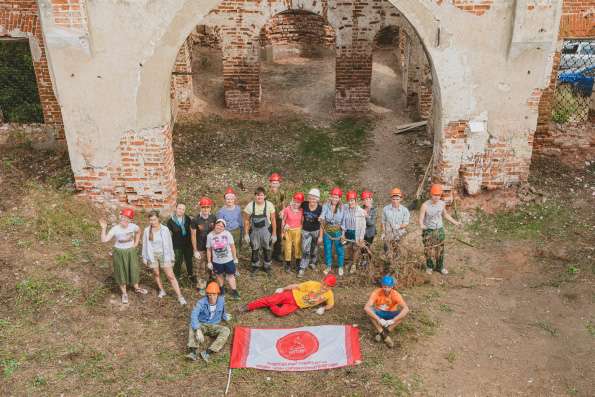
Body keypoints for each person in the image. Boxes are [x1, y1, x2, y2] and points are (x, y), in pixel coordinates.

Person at [99, 208, 147, 304]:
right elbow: (104, 240)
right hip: (119, 252)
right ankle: (124, 293)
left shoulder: (133, 226)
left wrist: (136, 243)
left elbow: (138, 232)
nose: (125, 220)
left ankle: (136, 288)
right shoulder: (115, 229)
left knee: (133, 269)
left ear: (131, 220)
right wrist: (104, 228)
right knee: (121, 271)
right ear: (120, 217)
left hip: (130, 251)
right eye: (123, 217)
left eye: (127, 218)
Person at [142, 211, 187, 305]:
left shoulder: (164, 229)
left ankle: (180, 296)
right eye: (150, 220)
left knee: (171, 276)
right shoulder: (147, 230)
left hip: (164, 254)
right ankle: (162, 290)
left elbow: (169, 243)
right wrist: (144, 257)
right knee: (156, 273)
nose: (152, 222)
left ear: (158, 219)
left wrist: (172, 256)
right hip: (152, 255)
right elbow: (145, 245)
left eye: (154, 219)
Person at [242, 274, 336, 317]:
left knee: (280, 312)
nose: (325, 286)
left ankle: (271, 303)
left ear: (331, 287)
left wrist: (323, 308)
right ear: (322, 281)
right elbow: (296, 286)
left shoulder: (329, 294)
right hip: (291, 295)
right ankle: (249, 306)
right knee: (270, 300)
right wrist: (283, 289)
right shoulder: (312, 284)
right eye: (324, 283)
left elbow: (331, 304)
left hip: (295, 305)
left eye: (328, 286)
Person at [418, 184, 462, 275]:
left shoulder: (442, 204)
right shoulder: (425, 205)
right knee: (428, 249)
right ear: (431, 194)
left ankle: (440, 267)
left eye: (438, 195)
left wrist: (455, 223)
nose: (436, 197)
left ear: (440, 195)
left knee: (440, 249)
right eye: (434, 195)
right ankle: (429, 266)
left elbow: (445, 215)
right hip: (429, 230)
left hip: (439, 229)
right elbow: (421, 218)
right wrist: (422, 225)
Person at [186, 282, 231, 363]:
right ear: (207, 294)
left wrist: (225, 317)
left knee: (226, 330)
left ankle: (208, 352)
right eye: (210, 295)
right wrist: (197, 329)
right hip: (202, 324)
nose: (212, 297)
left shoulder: (221, 300)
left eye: (214, 294)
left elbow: (223, 309)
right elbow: (194, 315)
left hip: (214, 325)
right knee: (192, 325)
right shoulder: (201, 302)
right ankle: (192, 352)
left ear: (218, 293)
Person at [364, 275, 409, 348]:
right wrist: (379, 319)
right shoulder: (376, 292)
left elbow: (406, 309)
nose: (386, 289)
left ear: (392, 287)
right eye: (385, 287)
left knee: (402, 314)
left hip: (391, 313)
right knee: (370, 312)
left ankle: (387, 331)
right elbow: (366, 307)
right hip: (379, 312)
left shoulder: (395, 294)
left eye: (389, 287)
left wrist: (392, 320)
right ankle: (382, 333)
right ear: (382, 285)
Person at [243, 187, 277, 274]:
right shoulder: (250, 206)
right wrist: (246, 234)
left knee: (267, 249)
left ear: (265, 196)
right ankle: (255, 266)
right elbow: (246, 220)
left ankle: (267, 266)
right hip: (254, 231)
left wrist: (274, 234)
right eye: (257, 195)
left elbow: (273, 220)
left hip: (266, 231)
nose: (259, 197)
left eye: (261, 195)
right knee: (255, 249)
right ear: (255, 196)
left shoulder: (269, 205)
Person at [206, 219, 240, 300]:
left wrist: (235, 258)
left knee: (231, 275)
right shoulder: (210, 235)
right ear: (215, 225)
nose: (219, 227)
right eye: (218, 225)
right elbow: (208, 249)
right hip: (217, 261)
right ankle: (221, 289)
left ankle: (234, 291)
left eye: (222, 226)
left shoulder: (227, 234)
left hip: (228, 260)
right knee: (219, 275)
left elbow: (232, 246)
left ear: (224, 228)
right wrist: (209, 262)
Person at [191, 197, 217, 295]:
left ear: (210, 208)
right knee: (201, 267)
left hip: (211, 247)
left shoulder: (213, 218)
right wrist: (195, 250)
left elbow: (216, 232)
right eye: (203, 207)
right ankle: (201, 285)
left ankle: (211, 281)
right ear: (200, 208)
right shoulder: (195, 220)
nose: (205, 209)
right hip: (200, 247)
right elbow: (193, 235)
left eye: (207, 207)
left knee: (210, 265)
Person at [167, 203, 195, 285]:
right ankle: (176, 277)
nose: (181, 211)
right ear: (176, 208)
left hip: (188, 244)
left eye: (183, 209)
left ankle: (190, 276)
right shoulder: (170, 221)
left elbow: (192, 229)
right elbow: (169, 235)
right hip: (177, 245)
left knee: (189, 260)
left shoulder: (187, 218)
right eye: (179, 208)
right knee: (178, 261)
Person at [320, 187, 346, 276]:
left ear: (339, 198)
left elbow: (344, 221)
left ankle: (340, 266)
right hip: (327, 230)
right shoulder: (326, 205)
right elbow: (323, 214)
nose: (334, 199)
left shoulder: (343, 207)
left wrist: (343, 234)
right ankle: (328, 266)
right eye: (333, 197)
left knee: (339, 249)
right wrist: (321, 218)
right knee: (327, 248)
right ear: (330, 196)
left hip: (338, 231)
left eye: (336, 197)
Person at [299, 188, 323, 278]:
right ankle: (302, 267)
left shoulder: (320, 208)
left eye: (314, 198)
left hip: (316, 231)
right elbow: (294, 205)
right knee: (305, 249)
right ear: (308, 198)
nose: (312, 200)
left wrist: (320, 236)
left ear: (317, 199)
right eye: (311, 198)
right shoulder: (304, 204)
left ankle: (313, 262)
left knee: (315, 248)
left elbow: (322, 224)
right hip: (305, 230)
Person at [381, 188, 410, 262]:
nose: (395, 201)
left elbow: (406, 223)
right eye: (393, 199)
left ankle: (396, 264)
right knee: (387, 250)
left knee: (397, 251)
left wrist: (399, 226)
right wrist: (384, 232)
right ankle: (388, 263)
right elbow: (383, 222)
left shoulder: (405, 210)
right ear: (391, 199)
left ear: (401, 199)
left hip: (399, 234)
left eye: (397, 199)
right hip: (389, 234)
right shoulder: (386, 209)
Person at [342, 190, 367, 275]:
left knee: (356, 248)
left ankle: (354, 264)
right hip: (347, 231)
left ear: (356, 200)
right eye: (349, 200)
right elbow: (343, 222)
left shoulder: (361, 211)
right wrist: (343, 234)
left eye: (352, 200)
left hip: (356, 232)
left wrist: (361, 238)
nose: (350, 202)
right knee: (348, 248)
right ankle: (348, 262)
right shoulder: (345, 208)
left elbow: (363, 226)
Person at [281, 192, 304, 273]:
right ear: (292, 200)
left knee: (298, 247)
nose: (296, 203)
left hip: (297, 230)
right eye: (294, 201)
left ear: (301, 203)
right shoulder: (287, 209)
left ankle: (298, 264)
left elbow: (302, 222)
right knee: (288, 247)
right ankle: (288, 264)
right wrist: (282, 231)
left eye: (298, 202)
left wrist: (302, 230)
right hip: (288, 230)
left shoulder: (301, 210)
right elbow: (283, 220)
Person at [216, 187, 243, 255]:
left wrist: (242, 230)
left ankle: (236, 258)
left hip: (236, 231)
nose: (229, 201)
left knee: (236, 246)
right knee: (227, 247)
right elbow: (219, 225)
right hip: (226, 232)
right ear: (225, 200)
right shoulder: (221, 211)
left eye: (231, 199)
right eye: (228, 199)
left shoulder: (238, 209)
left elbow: (240, 220)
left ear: (234, 199)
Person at [267, 173, 286, 262]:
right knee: (268, 235)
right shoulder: (266, 192)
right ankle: (267, 254)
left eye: (276, 182)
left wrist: (283, 211)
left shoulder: (282, 192)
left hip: (278, 217)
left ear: (279, 184)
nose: (274, 184)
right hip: (268, 218)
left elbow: (283, 203)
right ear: (270, 183)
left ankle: (277, 254)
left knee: (278, 236)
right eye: (273, 182)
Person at [360, 190, 377, 268]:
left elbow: (371, 223)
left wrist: (366, 216)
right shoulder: (360, 209)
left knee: (368, 246)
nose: (366, 201)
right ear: (362, 201)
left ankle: (369, 261)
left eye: (368, 199)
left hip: (370, 232)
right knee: (362, 247)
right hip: (362, 232)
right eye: (364, 199)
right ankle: (363, 260)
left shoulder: (374, 210)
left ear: (371, 199)